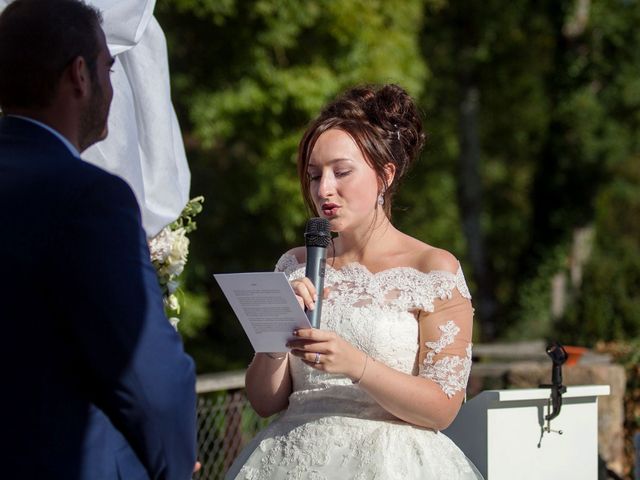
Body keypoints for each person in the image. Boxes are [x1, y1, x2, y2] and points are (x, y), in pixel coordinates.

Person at [226, 84, 483, 479]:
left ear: (384, 175)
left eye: (341, 172)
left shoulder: (433, 269)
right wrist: (275, 344)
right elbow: (263, 401)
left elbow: (442, 407)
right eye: (314, 176)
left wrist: (356, 364)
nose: (323, 189)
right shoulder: (294, 265)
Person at [0, 1, 197, 479]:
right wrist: (172, 464)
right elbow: (150, 377)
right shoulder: (89, 198)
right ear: (80, 76)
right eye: (110, 67)